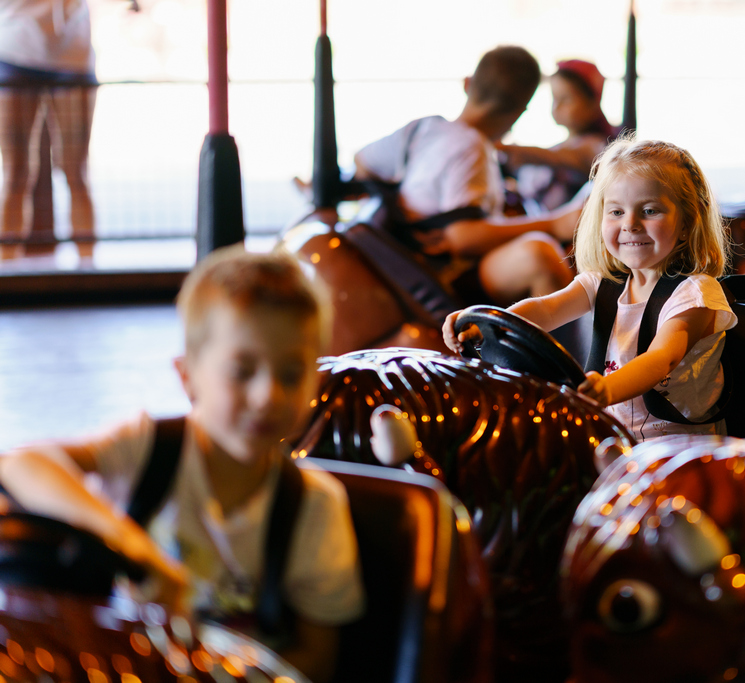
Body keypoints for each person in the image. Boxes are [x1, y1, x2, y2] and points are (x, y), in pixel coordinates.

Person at [0, 247, 364, 683]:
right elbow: (22, 464)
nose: (268, 395)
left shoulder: (314, 506)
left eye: (290, 374)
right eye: (243, 371)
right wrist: (132, 545)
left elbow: (318, 659)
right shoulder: (148, 448)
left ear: (315, 383)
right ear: (187, 374)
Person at [445, 137, 736, 442]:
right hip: (613, 436)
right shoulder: (603, 282)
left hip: (678, 445)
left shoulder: (696, 294)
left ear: (687, 223)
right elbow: (546, 309)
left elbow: (662, 357)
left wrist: (607, 388)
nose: (631, 224)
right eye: (616, 212)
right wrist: (489, 323)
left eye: (649, 211)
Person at [354, 45, 580, 307]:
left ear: (467, 84)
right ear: (520, 111)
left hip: (408, 259)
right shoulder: (472, 146)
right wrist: (555, 223)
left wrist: (401, 202)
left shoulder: (423, 128)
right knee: (539, 256)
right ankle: (572, 348)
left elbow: (362, 161)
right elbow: (462, 237)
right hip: (443, 273)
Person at [0, 0, 98, 259]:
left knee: (76, 173)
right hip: (14, 51)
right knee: (15, 175)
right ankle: (8, 277)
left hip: (73, 56)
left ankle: (89, 273)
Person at [498, 59, 618, 213]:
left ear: (592, 104)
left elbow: (557, 156)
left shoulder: (596, 146)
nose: (557, 106)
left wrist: (506, 148)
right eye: (554, 99)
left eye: (566, 99)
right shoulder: (563, 144)